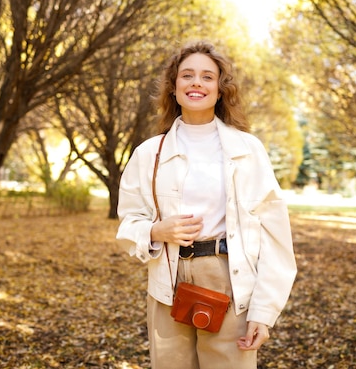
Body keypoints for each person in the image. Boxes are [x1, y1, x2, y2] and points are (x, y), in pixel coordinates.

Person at [116, 41, 297, 369]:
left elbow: (275, 238)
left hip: (228, 277)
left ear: (220, 89)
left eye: (207, 77)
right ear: (174, 88)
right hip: (168, 282)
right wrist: (157, 230)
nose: (196, 82)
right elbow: (128, 223)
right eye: (187, 75)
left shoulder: (248, 150)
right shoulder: (148, 154)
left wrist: (264, 312)